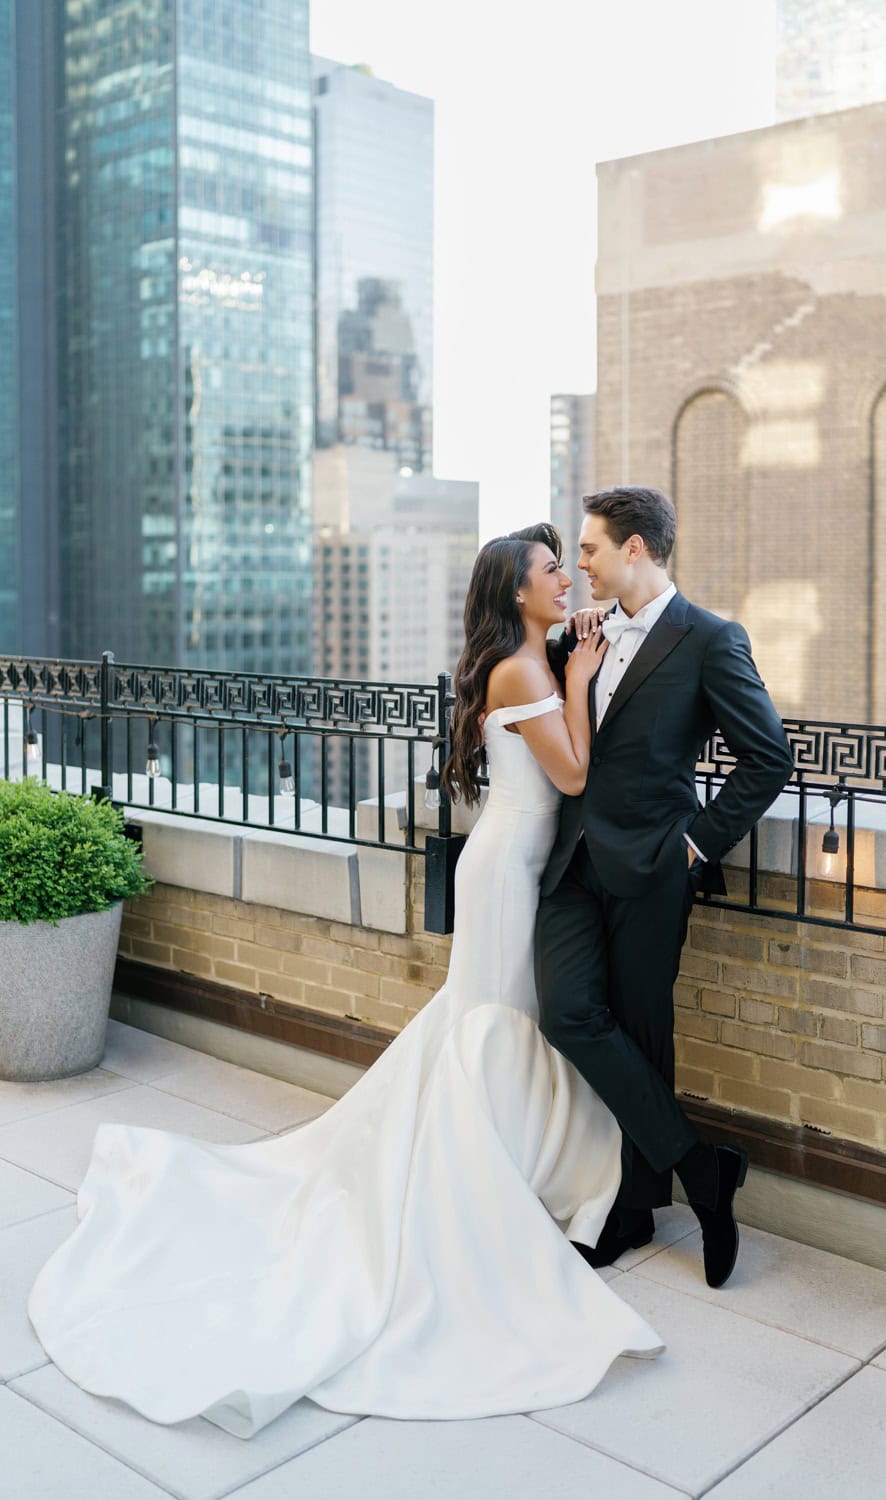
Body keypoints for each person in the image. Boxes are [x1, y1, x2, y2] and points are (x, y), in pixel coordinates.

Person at [28, 522, 664, 1438]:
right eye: (550, 569)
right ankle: (499, 1174)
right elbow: (571, 773)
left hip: (511, 868)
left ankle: (521, 1162)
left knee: (495, 1022)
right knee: (493, 1021)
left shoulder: (526, 655)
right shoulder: (526, 671)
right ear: (514, 591)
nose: (565, 578)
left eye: (567, 565)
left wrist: (575, 652)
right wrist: (580, 677)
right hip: (506, 875)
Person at [535, 486, 794, 1288]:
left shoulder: (711, 640)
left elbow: (768, 758)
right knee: (569, 1013)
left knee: (644, 1029)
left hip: (654, 866)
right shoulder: (589, 632)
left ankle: (636, 1208)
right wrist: (562, 648)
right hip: (573, 859)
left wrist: (696, 845)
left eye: (590, 549)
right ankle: (703, 1170)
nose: (581, 564)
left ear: (636, 548)